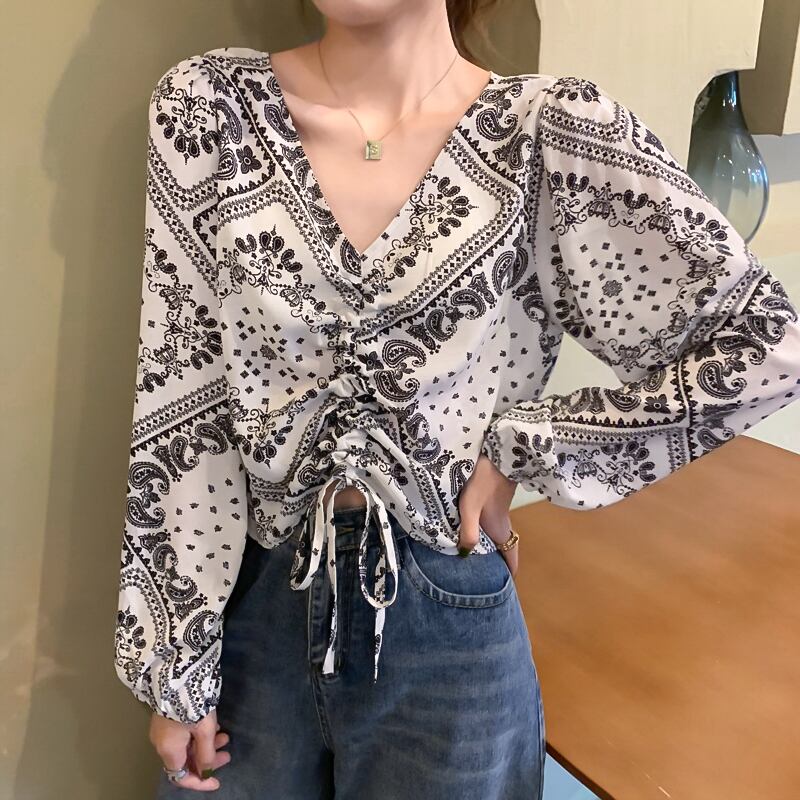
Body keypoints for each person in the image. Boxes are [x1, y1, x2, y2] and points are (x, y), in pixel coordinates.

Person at [114, 1, 800, 797]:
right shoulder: (210, 111)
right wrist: (176, 660)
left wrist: (529, 449)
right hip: (255, 613)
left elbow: (765, 345)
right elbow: (182, 397)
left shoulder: (547, 134)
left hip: (448, 616)